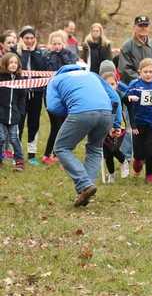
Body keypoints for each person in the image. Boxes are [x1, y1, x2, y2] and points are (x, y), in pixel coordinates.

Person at [46, 64, 122, 207]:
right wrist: (116, 123)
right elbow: (114, 97)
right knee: (95, 149)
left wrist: (71, 110)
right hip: (106, 113)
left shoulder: (55, 79)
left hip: (80, 111)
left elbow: (52, 107)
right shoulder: (92, 74)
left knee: (61, 148)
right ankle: (86, 190)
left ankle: (85, 184)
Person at [43, 31, 78, 165]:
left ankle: (58, 153)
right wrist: (53, 56)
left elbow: (71, 67)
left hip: (65, 94)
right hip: (51, 94)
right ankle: (47, 154)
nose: (57, 46)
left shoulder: (69, 54)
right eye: (54, 44)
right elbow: (46, 70)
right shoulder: (47, 56)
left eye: (59, 43)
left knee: (64, 125)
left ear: (63, 44)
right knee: (55, 125)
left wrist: (63, 55)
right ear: (50, 44)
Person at [125, 58, 152, 183]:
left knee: (150, 152)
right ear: (139, 72)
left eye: (151, 72)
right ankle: (137, 164)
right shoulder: (134, 85)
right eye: (145, 72)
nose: (148, 74)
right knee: (138, 153)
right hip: (138, 123)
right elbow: (126, 99)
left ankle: (149, 175)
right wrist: (129, 97)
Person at [16, 26, 48, 166]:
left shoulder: (40, 52)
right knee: (19, 122)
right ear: (21, 39)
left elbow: (41, 67)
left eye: (31, 38)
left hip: (36, 93)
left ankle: (32, 154)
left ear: (35, 39)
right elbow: (20, 66)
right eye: (26, 38)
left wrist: (33, 51)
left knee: (34, 123)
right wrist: (25, 52)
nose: (29, 41)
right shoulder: (16, 52)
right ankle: (17, 154)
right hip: (20, 94)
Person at [118, 15, 152, 85]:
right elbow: (124, 70)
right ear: (134, 27)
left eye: (146, 26)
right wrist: (140, 78)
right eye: (140, 26)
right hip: (134, 85)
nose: (143, 28)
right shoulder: (127, 46)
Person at [0, 53, 26, 171]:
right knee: (1, 138)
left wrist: (21, 112)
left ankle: (19, 162)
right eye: (11, 62)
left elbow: (22, 97)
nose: (13, 65)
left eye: (15, 63)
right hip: (1, 115)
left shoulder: (20, 80)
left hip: (14, 115)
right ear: (5, 64)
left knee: (14, 139)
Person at [101, 71, 127, 184]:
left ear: (117, 84)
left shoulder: (119, 95)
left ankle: (123, 160)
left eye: (112, 84)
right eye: (107, 85)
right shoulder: (100, 97)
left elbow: (128, 91)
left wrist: (131, 97)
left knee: (113, 148)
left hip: (119, 125)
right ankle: (111, 174)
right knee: (107, 153)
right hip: (104, 127)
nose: (110, 87)